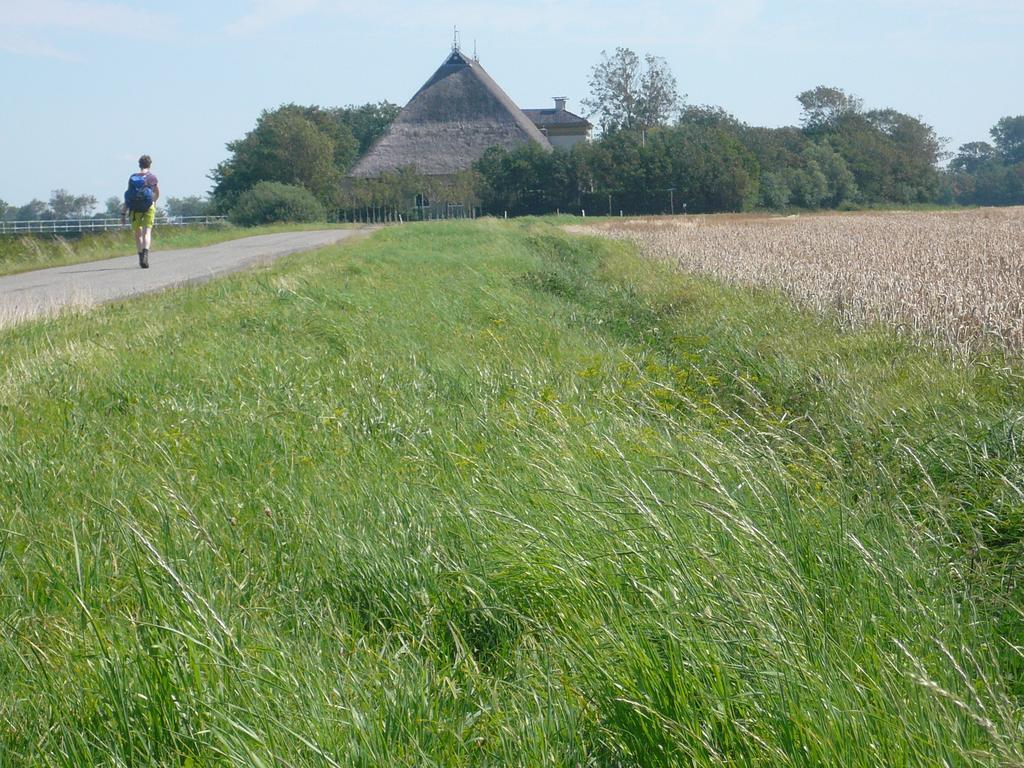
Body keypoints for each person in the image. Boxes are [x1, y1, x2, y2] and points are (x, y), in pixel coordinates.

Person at [121, 155, 160, 268]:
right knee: (147, 232)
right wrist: (153, 202)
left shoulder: (132, 177)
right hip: (148, 207)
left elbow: (128, 197)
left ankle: (140, 257)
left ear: (139, 165)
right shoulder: (152, 177)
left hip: (134, 208)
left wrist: (123, 213)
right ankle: (145, 256)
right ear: (150, 164)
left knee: (138, 233)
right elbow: (157, 193)